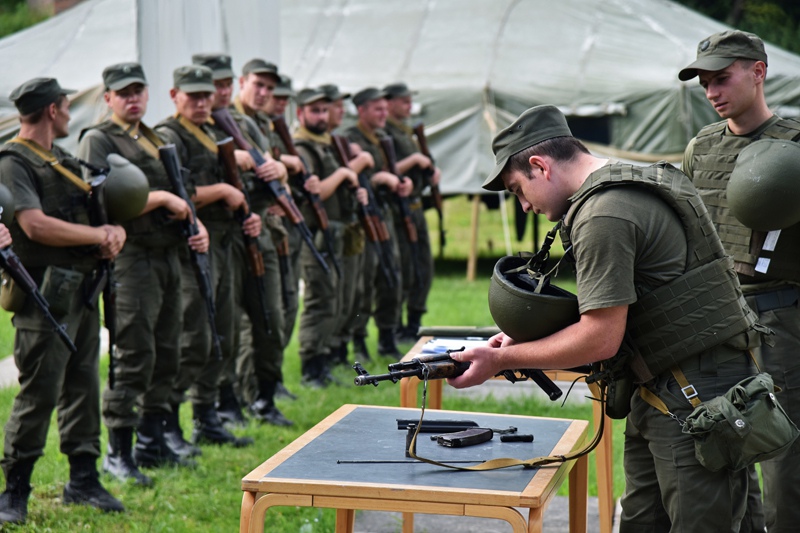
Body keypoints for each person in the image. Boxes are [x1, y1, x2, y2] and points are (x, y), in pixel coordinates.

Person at [449, 104, 763, 532]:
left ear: (539, 166)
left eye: (518, 189)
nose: (522, 206)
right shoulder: (630, 179)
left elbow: (600, 338)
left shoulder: (603, 214)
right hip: (672, 385)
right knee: (642, 521)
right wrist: (519, 341)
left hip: (695, 395)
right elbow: (625, 307)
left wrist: (503, 361)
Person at [679, 30, 800, 533]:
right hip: (714, 321)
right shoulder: (702, 146)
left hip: (779, 322)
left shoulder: (794, 148)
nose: (712, 92)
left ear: (758, 71)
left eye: (722, 78)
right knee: (721, 454)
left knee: (784, 461)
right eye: (704, 82)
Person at [0, 77, 126, 524]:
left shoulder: (62, 158)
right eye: (66, 104)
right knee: (40, 390)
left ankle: (84, 478)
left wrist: (116, 232)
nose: (70, 110)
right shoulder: (14, 161)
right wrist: (99, 235)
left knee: (83, 383)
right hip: (44, 294)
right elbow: (33, 225)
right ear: (53, 109)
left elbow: (100, 205)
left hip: (82, 290)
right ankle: (14, 490)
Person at [77, 62, 205, 485]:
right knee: (133, 352)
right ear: (108, 97)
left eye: (138, 90)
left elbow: (183, 191)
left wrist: (193, 222)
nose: (133, 98)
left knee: (167, 349)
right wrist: (163, 198)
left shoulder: (155, 137)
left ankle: (153, 439)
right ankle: (119, 452)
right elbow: (99, 201)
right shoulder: (98, 140)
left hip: (168, 255)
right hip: (132, 260)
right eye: (123, 92)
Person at [156, 65, 256, 448]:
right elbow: (178, 192)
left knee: (223, 334)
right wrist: (223, 192)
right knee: (195, 335)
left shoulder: (215, 131)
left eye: (205, 95)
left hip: (225, 241)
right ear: (174, 95)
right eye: (192, 95)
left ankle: (206, 415)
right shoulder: (170, 135)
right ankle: (167, 423)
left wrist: (247, 210)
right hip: (191, 248)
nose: (201, 102)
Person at [192, 53, 292, 426]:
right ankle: (223, 402)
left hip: (253, 230)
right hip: (218, 236)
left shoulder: (244, 123)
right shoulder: (194, 129)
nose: (218, 92)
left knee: (269, 316)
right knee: (225, 326)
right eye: (212, 86)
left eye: (223, 84)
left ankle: (262, 397)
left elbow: (272, 166)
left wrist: (277, 167)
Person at [292, 88, 368, 384]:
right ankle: (311, 364)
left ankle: (323, 359)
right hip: (315, 234)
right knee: (320, 299)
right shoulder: (302, 147)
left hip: (335, 232)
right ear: (300, 114)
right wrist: (345, 174)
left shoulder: (325, 145)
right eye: (314, 111)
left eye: (325, 110)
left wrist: (354, 190)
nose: (321, 117)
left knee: (337, 297)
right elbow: (318, 190)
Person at [345, 87, 413, 359]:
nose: (384, 114)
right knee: (365, 282)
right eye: (377, 109)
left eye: (386, 108)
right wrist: (380, 179)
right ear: (361, 110)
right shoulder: (351, 138)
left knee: (391, 277)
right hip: (364, 218)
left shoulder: (383, 137)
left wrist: (399, 182)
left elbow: (389, 172)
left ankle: (387, 336)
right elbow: (356, 178)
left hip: (384, 213)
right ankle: (358, 341)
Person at [382, 82, 440, 342]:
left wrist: (430, 172)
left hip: (415, 205)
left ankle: (413, 321)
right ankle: (397, 326)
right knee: (403, 266)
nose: (408, 106)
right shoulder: (386, 133)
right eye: (403, 101)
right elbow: (386, 167)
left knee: (422, 267)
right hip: (398, 209)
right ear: (390, 102)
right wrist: (416, 161)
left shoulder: (406, 131)